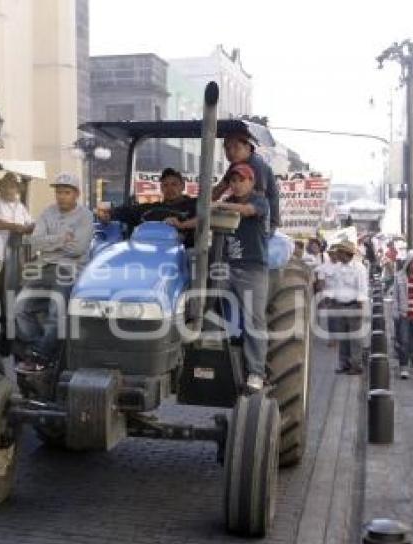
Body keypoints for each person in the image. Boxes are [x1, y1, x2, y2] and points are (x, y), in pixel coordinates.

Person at [15, 172, 94, 372]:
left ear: (76, 194)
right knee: (19, 307)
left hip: (70, 268)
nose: (61, 196)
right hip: (45, 267)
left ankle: (39, 356)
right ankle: (39, 348)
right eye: (59, 192)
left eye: (66, 192)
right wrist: (61, 239)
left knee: (55, 311)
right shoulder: (47, 212)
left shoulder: (85, 215)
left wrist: (49, 243)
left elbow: (78, 249)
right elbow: (34, 241)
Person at [210, 162, 270, 392]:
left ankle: (256, 372)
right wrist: (184, 223)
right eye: (232, 181)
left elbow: (248, 211)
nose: (236, 184)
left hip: (252, 269)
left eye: (241, 180)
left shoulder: (259, 201)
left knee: (255, 320)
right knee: (201, 301)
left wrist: (218, 205)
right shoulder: (226, 204)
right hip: (226, 267)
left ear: (251, 182)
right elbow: (203, 218)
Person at [96, 167, 197, 247]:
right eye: (165, 185)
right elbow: (127, 212)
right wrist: (108, 214)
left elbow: (207, 218)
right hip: (150, 251)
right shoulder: (151, 209)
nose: (170, 188)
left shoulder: (195, 205)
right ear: (161, 188)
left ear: (182, 186)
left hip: (185, 254)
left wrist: (182, 225)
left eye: (174, 184)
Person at [0, 172, 34, 299]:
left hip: (13, 254)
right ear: (1, 188)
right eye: (6, 186)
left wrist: (32, 227)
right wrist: (16, 227)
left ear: (17, 189)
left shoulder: (20, 206)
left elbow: (29, 223)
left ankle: (9, 316)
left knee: (12, 287)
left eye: (12, 187)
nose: (9, 190)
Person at [213, 131, 280, 234]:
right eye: (227, 148)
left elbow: (255, 203)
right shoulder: (236, 164)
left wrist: (220, 205)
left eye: (236, 147)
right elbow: (219, 189)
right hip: (241, 216)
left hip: (262, 223)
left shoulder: (256, 165)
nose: (231, 152)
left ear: (248, 148)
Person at [327, 240, 368, 374]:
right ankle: (343, 363)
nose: (337, 254)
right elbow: (334, 286)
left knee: (355, 338)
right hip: (339, 305)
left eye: (339, 252)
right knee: (343, 337)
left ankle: (356, 365)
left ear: (346, 253)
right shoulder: (337, 267)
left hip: (353, 305)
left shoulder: (359, 268)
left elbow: (362, 289)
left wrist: (361, 307)